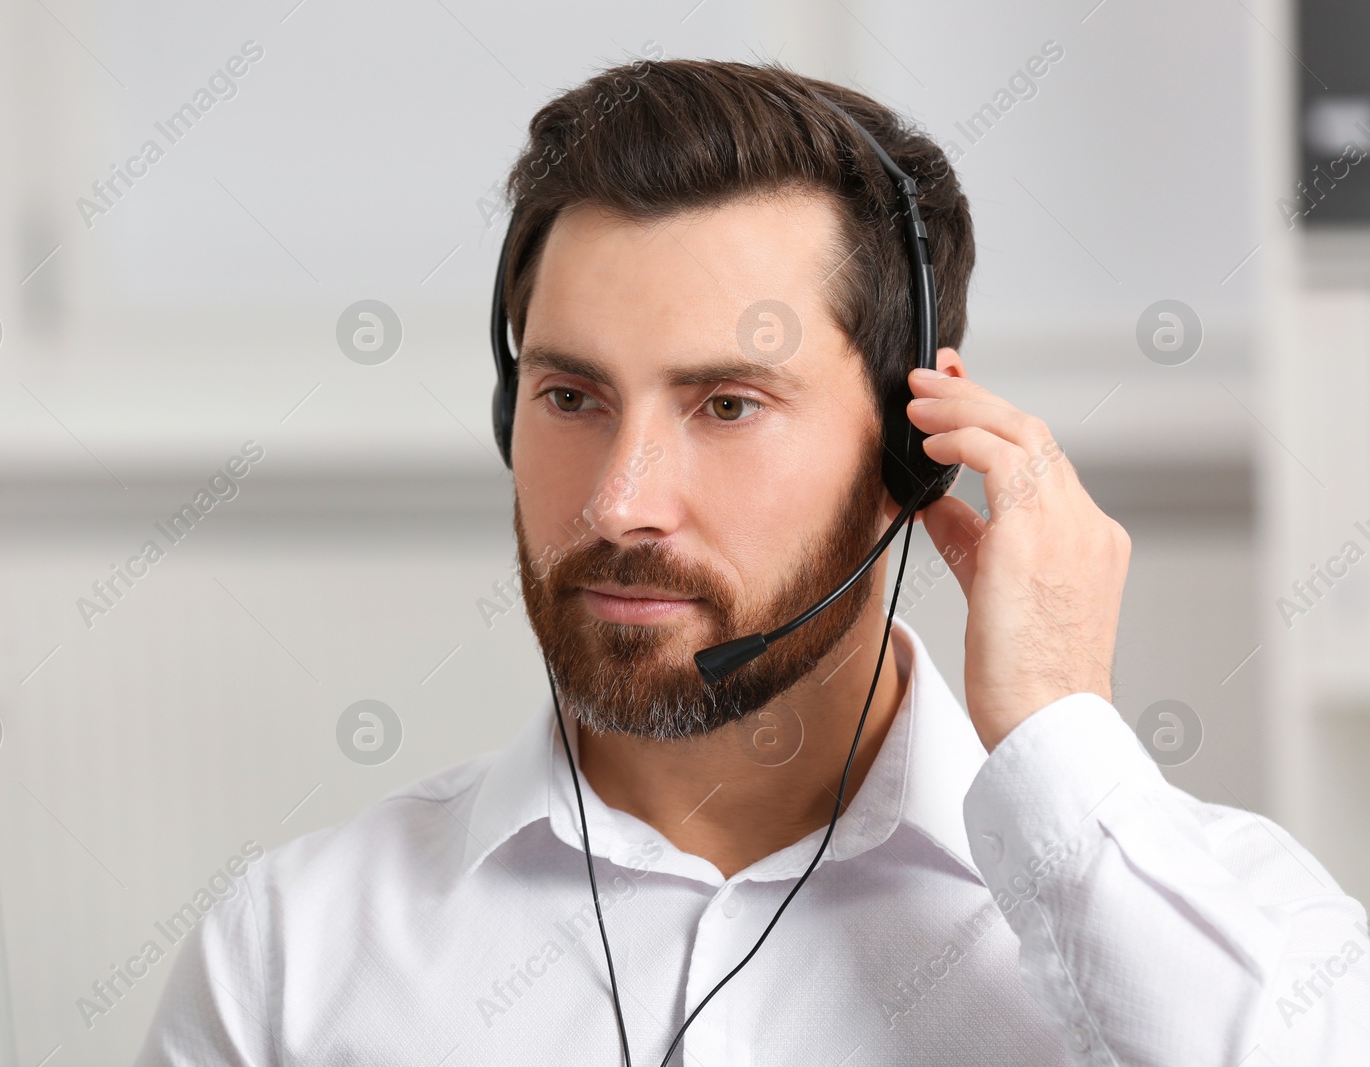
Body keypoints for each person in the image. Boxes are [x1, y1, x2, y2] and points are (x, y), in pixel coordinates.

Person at [136, 59, 1369, 1065]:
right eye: (570, 395)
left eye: (726, 404)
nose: (621, 502)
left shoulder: (1256, 940)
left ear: (909, 447)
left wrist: (1056, 725)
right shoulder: (290, 956)